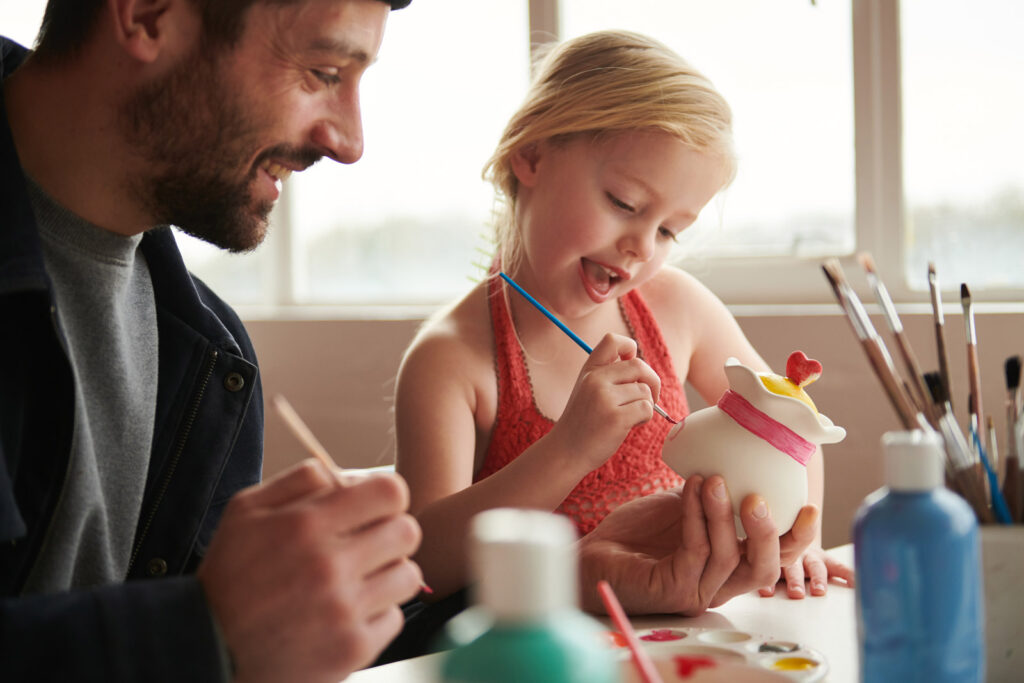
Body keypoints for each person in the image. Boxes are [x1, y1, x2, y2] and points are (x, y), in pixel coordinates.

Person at [0, 1, 425, 681]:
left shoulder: (211, 357)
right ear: (146, 15)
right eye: (321, 71)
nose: (349, 141)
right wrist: (202, 627)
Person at [393, 30, 853, 607]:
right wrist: (570, 449)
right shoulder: (452, 360)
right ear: (532, 154)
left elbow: (791, 434)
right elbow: (422, 565)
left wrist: (793, 546)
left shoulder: (677, 308)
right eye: (625, 204)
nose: (641, 246)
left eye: (668, 231)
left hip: (686, 635)